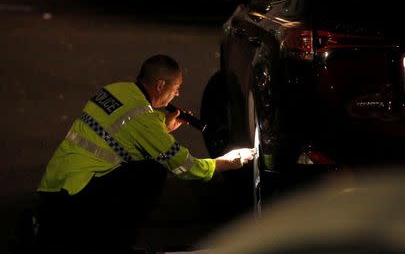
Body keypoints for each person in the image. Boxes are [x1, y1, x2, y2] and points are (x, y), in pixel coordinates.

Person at [36, 54, 256, 254]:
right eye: (176, 87)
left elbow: (126, 125)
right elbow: (185, 166)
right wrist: (227, 161)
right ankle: (115, 245)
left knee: (139, 164)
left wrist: (164, 125)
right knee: (153, 170)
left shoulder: (114, 90)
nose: (177, 93)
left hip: (54, 187)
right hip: (75, 199)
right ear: (160, 85)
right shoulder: (144, 120)